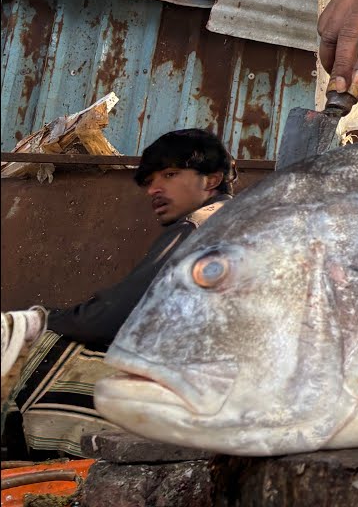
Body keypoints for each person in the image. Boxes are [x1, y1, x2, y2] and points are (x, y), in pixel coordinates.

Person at [0, 129, 236, 459]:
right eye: (151, 179)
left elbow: (113, 316)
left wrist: (43, 320)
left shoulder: (200, 227)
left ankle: (43, 455)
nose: (154, 189)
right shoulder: (240, 221)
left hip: (201, 391)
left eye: (169, 175)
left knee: (39, 344)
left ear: (210, 181)